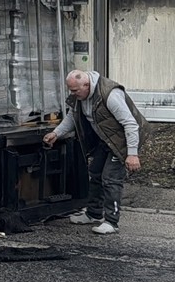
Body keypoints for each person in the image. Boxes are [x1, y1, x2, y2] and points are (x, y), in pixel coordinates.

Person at [43, 69, 149, 235]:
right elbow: (73, 116)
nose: (73, 94)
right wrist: (56, 133)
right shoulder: (81, 96)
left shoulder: (110, 95)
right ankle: (94, 214)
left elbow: (130, 124)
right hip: (105, 139)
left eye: (75, 90)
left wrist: (132, 154)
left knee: (110, 178)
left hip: (122, 140)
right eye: (71, 90)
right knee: (95, 173)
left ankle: (112, 222)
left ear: (86, 85)